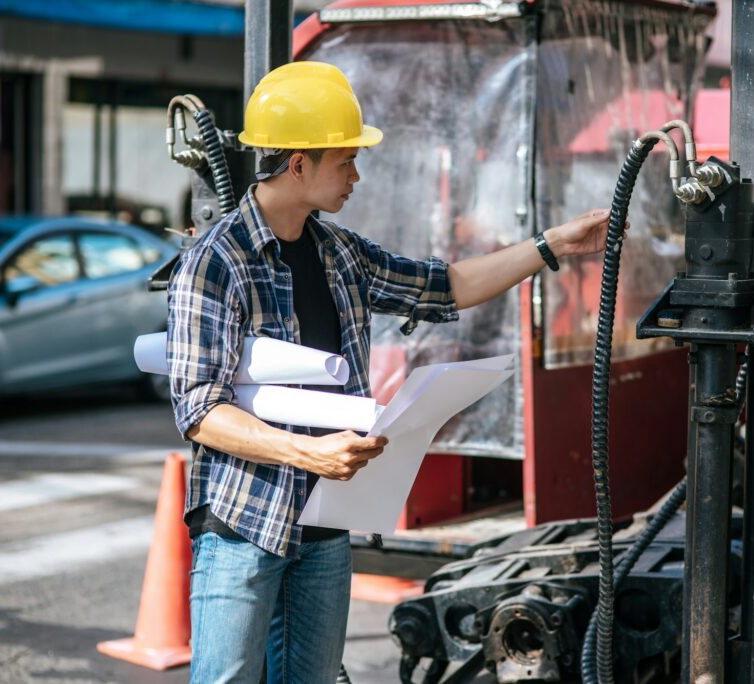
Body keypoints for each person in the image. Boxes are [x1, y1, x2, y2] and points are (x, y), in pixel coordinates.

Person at [167, 60, 616, 683]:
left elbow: (446, 285)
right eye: (345, 160)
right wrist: (308, 455)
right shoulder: (215, 263)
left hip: (323, 522)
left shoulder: (339, 254)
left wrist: (551, 247)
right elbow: (199, 409)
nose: (356, 173)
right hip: (245, 522)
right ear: (299, 164)